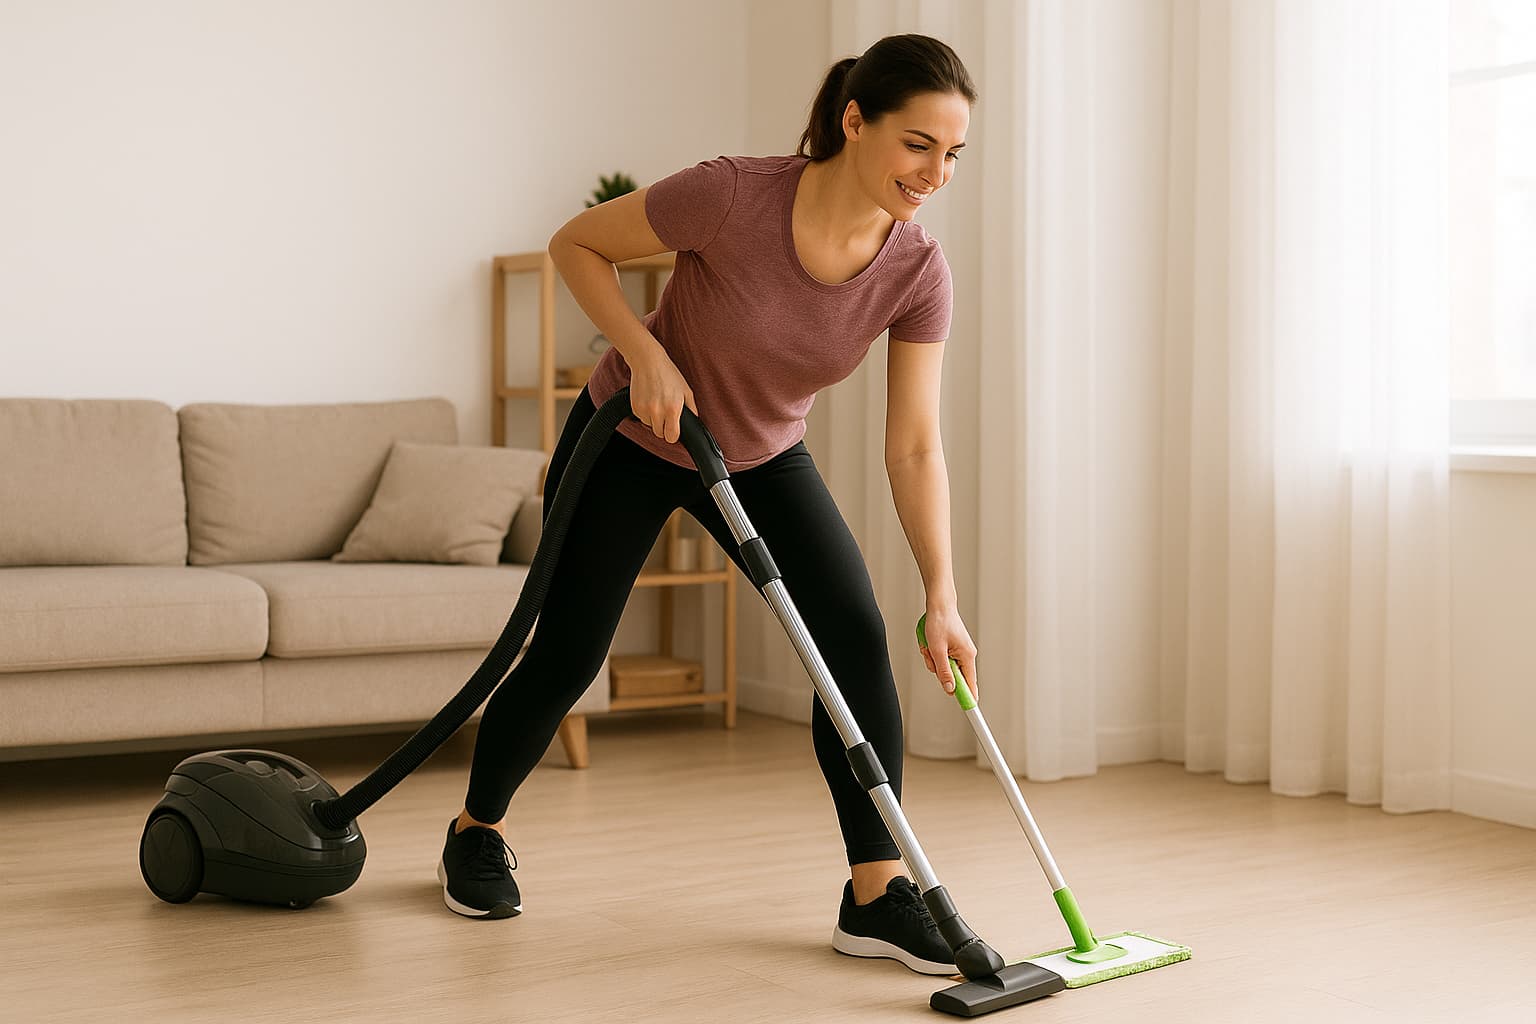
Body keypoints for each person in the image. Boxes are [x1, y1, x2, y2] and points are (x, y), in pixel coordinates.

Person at [438, 33, 980, 976]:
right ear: (855, 122)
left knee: (851, 638)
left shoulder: (916, 269)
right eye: (916, 144)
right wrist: (644, 354)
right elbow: (577, 245)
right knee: (570, 649)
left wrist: (943, 591)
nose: (933, 172)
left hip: (763, 455)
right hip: (636, 436)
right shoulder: (732, 193)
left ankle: (877, 892)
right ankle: (474, 829)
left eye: (951, 154)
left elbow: (915, 445)